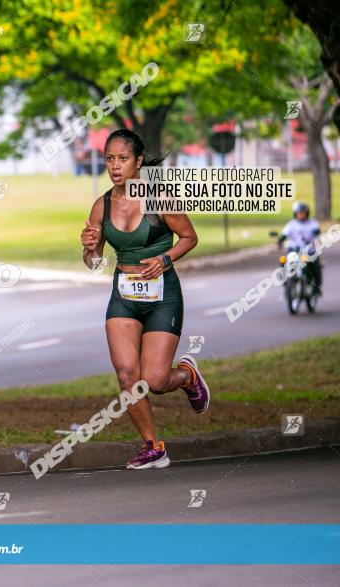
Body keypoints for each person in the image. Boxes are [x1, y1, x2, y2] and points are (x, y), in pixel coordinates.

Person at [79, 128, 210, 470]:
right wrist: (90, 247)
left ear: (138, 162)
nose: (115, 166)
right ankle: (153, 446)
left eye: (123, 159)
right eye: (109, 159)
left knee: (154, 380)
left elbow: (189, 237)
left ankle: (186, 376)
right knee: (126, 375)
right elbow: (93, 262)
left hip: (162, 294)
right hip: (123, 294)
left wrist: (164, 259)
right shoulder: (101, 205)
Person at [278, 202, 322, 296]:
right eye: (298, 213)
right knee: (283, 260)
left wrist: (316, 240)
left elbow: (317, 234)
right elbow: (283, 235)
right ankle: (286, 282)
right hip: (293, 249)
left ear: (307, 213)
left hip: (308, 251)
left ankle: (316, 287)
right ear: (295, 214)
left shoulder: (312, 223)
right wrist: (279, 242)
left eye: (302, 213)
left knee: (315, 263)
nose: (300, 215)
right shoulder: (291, 224)